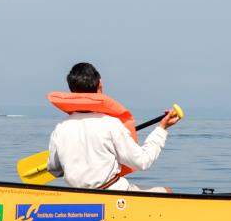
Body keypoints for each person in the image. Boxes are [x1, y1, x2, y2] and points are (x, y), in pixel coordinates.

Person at [47, 62, 181, 192]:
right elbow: (142, 161)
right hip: (114, 193)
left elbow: (55, 170)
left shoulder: (60, 128)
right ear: (100, 84)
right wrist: (162, 128)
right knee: (167, 191)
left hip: (78, 197)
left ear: (71, 91)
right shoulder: (111, 124)